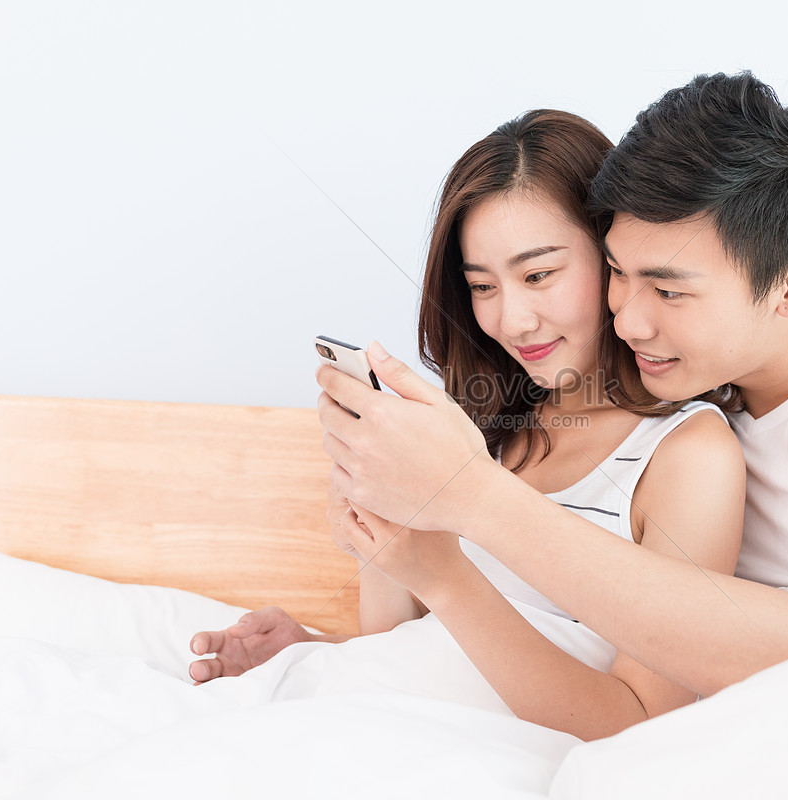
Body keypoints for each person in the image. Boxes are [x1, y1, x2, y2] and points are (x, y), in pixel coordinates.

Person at [316, 72, 788, 697]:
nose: (628, 320)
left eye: (667, 290)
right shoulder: (628, 397)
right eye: (619, 275)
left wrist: (471, 496)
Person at [190, 109, 746, 740]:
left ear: (614, 258)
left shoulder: (687, 454)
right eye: (483, 286)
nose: (513, 321)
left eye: (539, 275)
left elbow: (642, 726)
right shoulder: (485, 430)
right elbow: (409, 648)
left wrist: (444, 576)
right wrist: (315, 648)